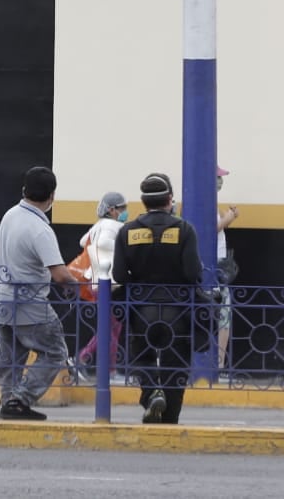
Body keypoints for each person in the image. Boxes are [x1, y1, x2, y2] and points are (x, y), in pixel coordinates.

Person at [112, 172, 203, 424]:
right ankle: (170, 415)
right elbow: (193, 273)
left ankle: (152, 393)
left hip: (142, 310)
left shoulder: (127, 231)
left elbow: (118, 273)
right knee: (177, 363)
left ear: (144, 202)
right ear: (170, 199)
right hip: (178, 310)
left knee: (142, 356)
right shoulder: (185, 230)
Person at [0, 166, 77, 420]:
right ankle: (20, 400)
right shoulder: (40, 229)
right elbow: (59, 274)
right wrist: (77, 286)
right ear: (52, 196)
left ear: (24, 190)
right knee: (55, 351)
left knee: (11, 357)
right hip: (29, 304)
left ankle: (8, 402)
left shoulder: (10, 215)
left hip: (0, 300)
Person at [71, 191, 128, 380]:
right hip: (108, 282)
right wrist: (121, 246)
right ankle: (92, 363)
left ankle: (86, 360)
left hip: (95, 281)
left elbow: (82, 241)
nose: (125, 211)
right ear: (112, 210)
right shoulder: (113, 225)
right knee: (109, 328)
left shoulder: (98, 226)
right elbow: (104, 242)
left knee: (112, 327)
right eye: (122, 208)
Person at [214, 165, 238, 374]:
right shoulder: (205, 203)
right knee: (224, 316)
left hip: (217, 267)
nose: (220, 182)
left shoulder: (211, 204)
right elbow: (212, 229)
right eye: (218, 178)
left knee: (223, 316)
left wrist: (228, 218)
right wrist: (228, 218)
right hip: (214, 269)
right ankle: (219, 363)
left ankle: (219, 362)